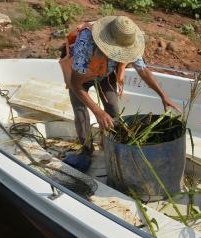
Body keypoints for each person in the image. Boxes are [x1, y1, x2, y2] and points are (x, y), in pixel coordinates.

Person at [60, 16, 179, 170]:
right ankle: (86, 152)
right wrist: (97, 111)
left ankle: (109, 145)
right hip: (79, 76)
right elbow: (75, 84)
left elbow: (143, 71)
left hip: (104, 73)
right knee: (81, 113)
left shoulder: (127, 39)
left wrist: (164, 96)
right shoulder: (86, 41)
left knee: (113, 111)